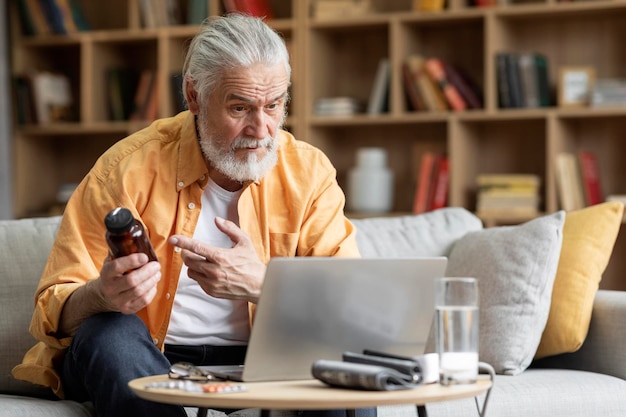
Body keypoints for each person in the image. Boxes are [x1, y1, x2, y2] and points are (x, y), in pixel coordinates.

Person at [12, 13, 376, 417]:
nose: (262, 129)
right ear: (194, 96)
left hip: (269, 363)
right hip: (149, 354)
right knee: (108, 333)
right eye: (240, 107)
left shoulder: (308, 172)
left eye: (273, 105)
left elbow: (349, 306)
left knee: (347, 365)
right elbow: (53, 307)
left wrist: (264, 284)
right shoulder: (126, 169)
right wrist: (101, 294)